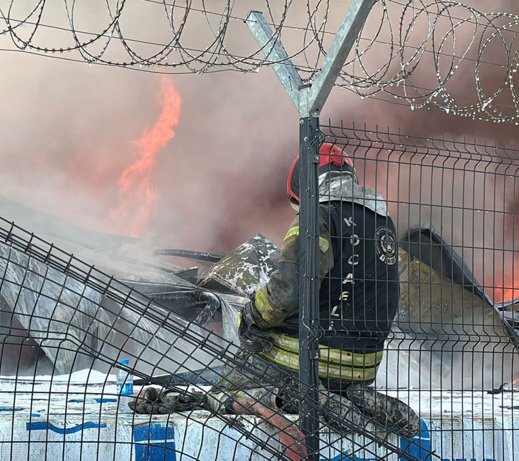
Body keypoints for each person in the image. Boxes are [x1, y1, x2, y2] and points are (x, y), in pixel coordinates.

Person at [130, 143, 418, 459]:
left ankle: (291, 396)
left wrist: (254, 314)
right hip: (362, 366)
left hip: (306, 361)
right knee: (327, 373)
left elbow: (289, 290)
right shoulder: (380, 223)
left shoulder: (317, 216)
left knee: (227, 389)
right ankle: (350, 396)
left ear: (303, 189)